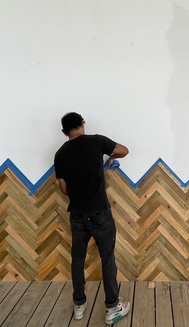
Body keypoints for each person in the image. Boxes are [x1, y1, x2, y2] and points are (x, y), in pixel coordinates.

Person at [54, 112, 130, 324]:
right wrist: (111, 157)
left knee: (77, 259)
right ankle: (112, 308)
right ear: (82, 124)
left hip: (77, 214)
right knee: (107, 258)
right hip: (99, 213)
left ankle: (79, 306)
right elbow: (124, 150)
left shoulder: (60, 154)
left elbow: (63, 188)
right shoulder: (96, 141)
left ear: (65, 132)